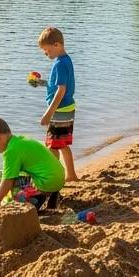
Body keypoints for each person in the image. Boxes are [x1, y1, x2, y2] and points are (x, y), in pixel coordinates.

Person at [0, 115, 66, 210]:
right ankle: (51, 195)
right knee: (5, 174)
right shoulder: (20, 141)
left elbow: (7, 181)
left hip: (47, 183)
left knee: (3, 177)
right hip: (58, 179)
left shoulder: (11, 151)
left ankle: (33, 201)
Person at [37, 26, 78, 183]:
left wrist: (48, 113)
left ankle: (54, 177)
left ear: (57, 45)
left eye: (46, 50)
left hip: (60, 109)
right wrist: (41, 83)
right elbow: (56, 85)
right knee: (61, 144)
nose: (45, 53)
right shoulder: (65, 60)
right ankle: (71, 175)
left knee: (53, 146)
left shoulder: (60, 64)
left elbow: (61, 90)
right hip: (67, 107)